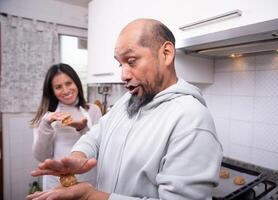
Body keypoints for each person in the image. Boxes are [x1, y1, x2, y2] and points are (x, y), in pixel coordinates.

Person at [27, 19, 223, 200]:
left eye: (131, 61)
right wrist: (78, 157)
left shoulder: (191, 118)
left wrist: (89, 196)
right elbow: (97, 134)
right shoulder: (128, 101)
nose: (123, 75)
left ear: (166, 54)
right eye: (119, 64)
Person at [30, 63, 102, 190]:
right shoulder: (46, 116)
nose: (65, 90)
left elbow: (99, 149)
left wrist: (82, 128)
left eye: (69, 83)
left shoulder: (93, 110)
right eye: (58, 87)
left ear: (76, 83)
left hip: (88, 180)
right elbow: (41, 156)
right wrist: (46, 125)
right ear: (52, 91)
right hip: (56, 182)